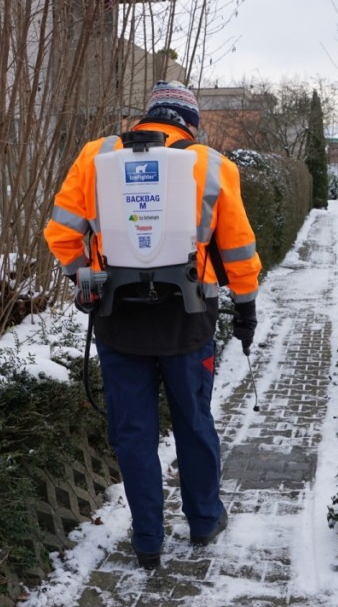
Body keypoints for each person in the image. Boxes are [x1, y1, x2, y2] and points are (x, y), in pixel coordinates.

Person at [44, 80, 262, 570]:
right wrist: (245, 309)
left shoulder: (95, 156)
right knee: (193, 419)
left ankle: (147, 540)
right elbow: (239, 250)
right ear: (190, 122)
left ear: (146, 117)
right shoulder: (211, 165)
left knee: (133, 430)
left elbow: (60, 232)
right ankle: (204, 520)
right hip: (188, 319)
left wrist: (84, 276)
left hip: (118, 319)